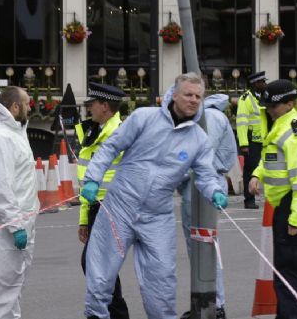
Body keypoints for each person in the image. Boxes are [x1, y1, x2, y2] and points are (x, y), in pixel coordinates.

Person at [80, 72, 229, 319]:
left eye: (198, 96)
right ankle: (96, 315)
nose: (193, 100)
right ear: (175, 94)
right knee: (101, 274)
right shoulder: (144, 118)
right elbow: (110, 147)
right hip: (119, 208)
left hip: (157, 216)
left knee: (162, 279)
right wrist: (92, 179)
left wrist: (214, 191)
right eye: (188, 95)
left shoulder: (199, 140)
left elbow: (205, 174)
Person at [249, 79, 297, 319]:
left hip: (292, 206)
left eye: (273, 106)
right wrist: (257, 174)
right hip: (284, 205)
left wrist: (295, 219)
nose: (269, 110)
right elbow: (271, 158)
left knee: (287, 273)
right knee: (284, 272)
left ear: (289, 104)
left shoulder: (295, 131)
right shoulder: (282, 125)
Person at [0, 86, 39, 319]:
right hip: (6, 225)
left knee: (13, 287)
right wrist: (15, 225)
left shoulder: (14, 132)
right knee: (2, 290)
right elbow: (2, 188)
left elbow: (22, 181)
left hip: (20, 222)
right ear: (15, 107)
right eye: (26, 102)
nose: (30, 107)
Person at [177, 94, 237, 319]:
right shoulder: (214, 116)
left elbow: (198, 157)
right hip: (206, 183)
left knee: (203, 249)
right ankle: (207, 303)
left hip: (201, 186)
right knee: (203, 247)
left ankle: (212, 304)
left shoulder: (207, 118)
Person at [75, 82, 129, 319]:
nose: (89, 109)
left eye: (92, 105)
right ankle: (112, 313)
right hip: (97, 207)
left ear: (105, 106)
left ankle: (112, 314)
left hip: (112, 208)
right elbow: (86, 178)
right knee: (99, 267)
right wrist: (84, 219)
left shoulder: (120, 134)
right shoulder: (93, 132)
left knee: (96, 265)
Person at [236, 71, 268, 209]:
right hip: (251, 142)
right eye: (262, 82)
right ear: (256, 84)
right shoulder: (245, 99)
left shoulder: (264, 97)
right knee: (251, 170)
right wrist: (244, 144)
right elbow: (241, 122)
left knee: (263, 169)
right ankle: (249, 200)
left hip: (264, 140)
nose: (265, 84)